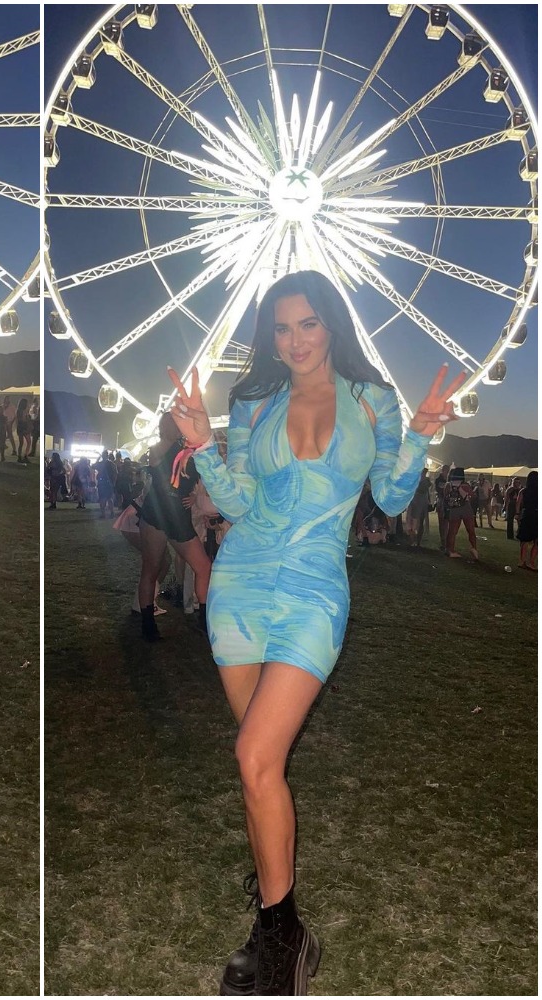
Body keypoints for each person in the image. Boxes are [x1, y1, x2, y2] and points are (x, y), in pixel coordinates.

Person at [167, 270, 462, 996]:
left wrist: (420, 433)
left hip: (314, 589)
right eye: (282, 327)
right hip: (241, 584)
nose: (295, 340)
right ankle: (278, 922)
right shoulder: (255, 400)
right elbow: (238, 501)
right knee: (258, 767)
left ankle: (283, 940)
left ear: (331, 324)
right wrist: (204, 445)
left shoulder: (371, 400)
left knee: (254, 754)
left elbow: (389, 496)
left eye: (307, 323)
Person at [136, 413, 212, 641]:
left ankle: (204, 618)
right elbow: (159, 463)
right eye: (175, 424)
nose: (179, 428)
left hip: (177, 516)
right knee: (151, 568)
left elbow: (198, 477)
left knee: (203, 567)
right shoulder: (159, 447)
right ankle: (148, 623)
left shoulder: (186, 448)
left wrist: (194, 495)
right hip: (157, 514)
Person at [443, 467, 478, 559]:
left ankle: (450, 550)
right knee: (470, 530)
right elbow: (473, 496)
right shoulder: (465, 485)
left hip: (454, 509)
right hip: (465, 507)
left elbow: (445, 496)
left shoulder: (448, 485)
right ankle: (474, 548)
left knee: (452, 531)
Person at [405, 468, 433, 548]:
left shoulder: (425, 481)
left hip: (421, 503)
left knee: (418, 522)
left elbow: (426, 491)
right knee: (413, 521)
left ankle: (416, 540)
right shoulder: (417, 480)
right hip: (415, 502)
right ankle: (413, 540)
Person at [516, 470, 537, 571]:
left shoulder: (523, 491)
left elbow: (518, 503)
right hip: (537, 514)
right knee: (537, 541)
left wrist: (517, 514)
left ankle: (522, 561)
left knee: (524, 540)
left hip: (527, 514)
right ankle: (531, 562)